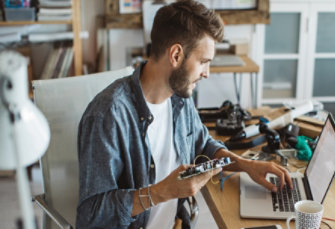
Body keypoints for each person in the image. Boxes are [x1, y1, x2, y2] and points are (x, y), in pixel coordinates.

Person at [76, 0, 292, 228]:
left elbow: (202, 145)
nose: (206, 74)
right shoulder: (107, 116)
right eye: (203, 62)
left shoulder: (179, 96)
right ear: (176, 55)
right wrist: (161, 192)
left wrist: (245, 165)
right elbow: (91, 216)